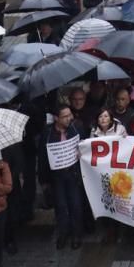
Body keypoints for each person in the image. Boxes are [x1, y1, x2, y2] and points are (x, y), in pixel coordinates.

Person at [40, 106, 85, 250]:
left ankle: (76, 235)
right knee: (60, 206)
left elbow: (85, 145)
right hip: (57, 177)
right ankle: (63, 233)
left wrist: (81, 153)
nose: (69, 118)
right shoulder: (47, 133)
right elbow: (42, 158)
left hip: (73, 174)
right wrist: (44, 180)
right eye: (65, 116)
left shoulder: (76, 128)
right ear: (56, 118)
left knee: (76, 205)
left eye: (69, 114)